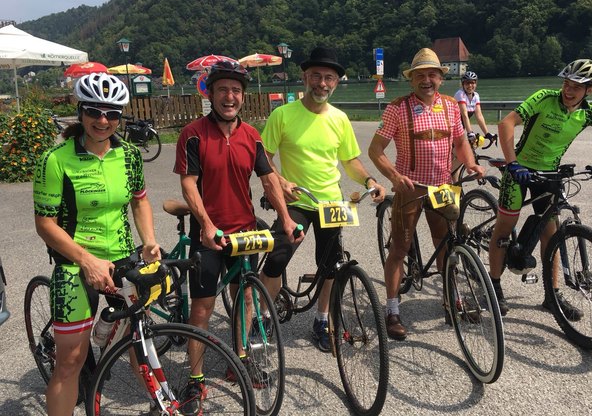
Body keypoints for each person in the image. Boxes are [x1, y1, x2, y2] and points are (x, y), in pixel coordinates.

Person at [173, 59, 301, 408]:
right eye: (223, 90)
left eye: (236, 90)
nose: (229, 96)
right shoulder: (193, 134)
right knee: (202, 307)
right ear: (211, 94)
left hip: (244, 229)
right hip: (209, 234)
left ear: (242, 96)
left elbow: (269, 180)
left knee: (245, 296)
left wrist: (286, 220)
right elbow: (188, 185)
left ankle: (240, 359)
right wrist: (207, 224)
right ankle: (195, 379)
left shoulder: (251, 136)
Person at [33, 73, 161, 416]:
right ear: (81, 111)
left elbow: (140, 201)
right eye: (94, 111)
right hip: (74, 263)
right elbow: (44, 223)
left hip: (122, 258)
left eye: (112, 114)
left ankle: (162, 406)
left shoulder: (130, 156)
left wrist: (149, 241)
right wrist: (86, 260)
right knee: (70, 361)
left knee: (141, 344)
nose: (103, 121)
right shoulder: (55, 159)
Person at [257, 46, 386, 353]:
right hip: (297, 200)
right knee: (278, 258)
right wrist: (279, 181)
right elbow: (263, 157)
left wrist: (369, 180)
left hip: (330, 203)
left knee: (330, 266)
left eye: (329, 77)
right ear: (305, 77)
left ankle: (322, 319)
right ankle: (260, 318)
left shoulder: (340, 119)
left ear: (337, 82)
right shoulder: (283, 115)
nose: (322, 83)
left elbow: (350, 161)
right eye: (316, 75)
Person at [368, 48, 484, 340]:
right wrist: (394, 176)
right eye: (420, 75)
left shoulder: (449, 106)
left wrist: (470, 163)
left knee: (447, 245)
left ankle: (452, 300)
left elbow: (460, 142)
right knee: (399, 249)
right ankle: (392, 310)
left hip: (443, 186)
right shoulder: (397, 108)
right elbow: (375, 150)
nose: (427, 80)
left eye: (432, 74)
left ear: (441, 79)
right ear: (412, 80)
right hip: (411, 187)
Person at [487, 59, 592, 320]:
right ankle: (494, 286)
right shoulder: (544, 98)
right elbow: (506, 124)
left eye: (576, 87)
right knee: (505, 226)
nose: (568, 90)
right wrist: (512, 163)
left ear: (590, 90)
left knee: (551, 235)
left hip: (550, 174)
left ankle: (552, 295)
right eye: (566, 84)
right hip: (520, 170)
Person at [454, 71, 495, 142]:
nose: (470, 85)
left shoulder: (476, 95)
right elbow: (464, 115)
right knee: (458, 149)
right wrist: (470, 132)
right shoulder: (460, 94)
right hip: (452, 126)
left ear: (476, 84)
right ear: (463, 84)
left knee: (468, 147)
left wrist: (487, 133)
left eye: (472, 83)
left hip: (461, 127)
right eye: (467, 83)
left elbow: (479, 116)